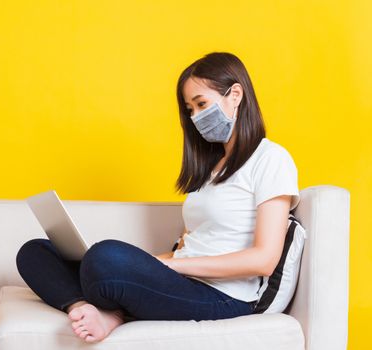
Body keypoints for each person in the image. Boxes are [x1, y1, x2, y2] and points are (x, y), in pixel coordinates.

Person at [16, 51, 300, 343]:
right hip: (183, 280)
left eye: (201, 104)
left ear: (235, 94)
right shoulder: (210, 170)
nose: (195, 117)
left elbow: (264, 259)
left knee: (104, 258)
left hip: (225, 296)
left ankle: (113, 309)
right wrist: (150, 263)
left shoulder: (271, 159)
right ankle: (86, 307)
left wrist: (169, 266)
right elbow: (192, 246)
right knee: (35, 253)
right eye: (189, 109)